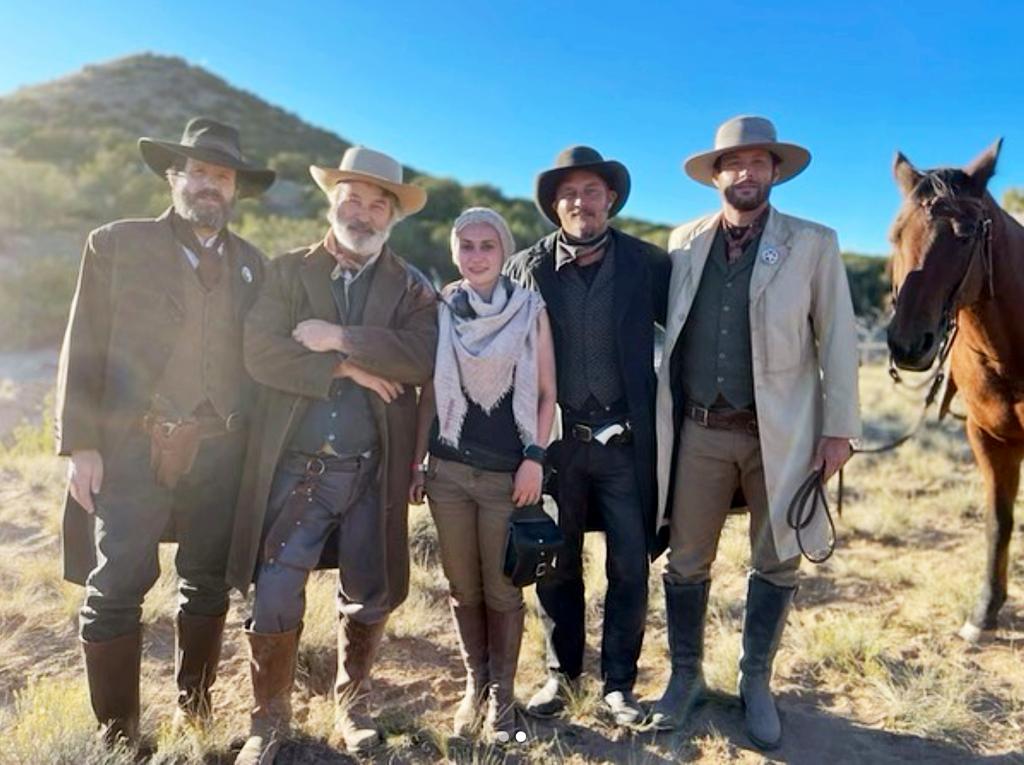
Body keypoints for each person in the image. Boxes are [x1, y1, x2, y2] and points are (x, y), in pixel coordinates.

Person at [55, 117, 275, 746]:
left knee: (206, 580)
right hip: (130, 444)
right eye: (200, 171)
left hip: (221, 450)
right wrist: (82, 444)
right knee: (118, 582)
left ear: (236, 190)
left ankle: (194, 709)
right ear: (176, 176)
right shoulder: (116, 244)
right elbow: (84, 345)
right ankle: (119, 735)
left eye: (223, 176)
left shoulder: (254, 266)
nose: (211, 185)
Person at [651, 115, 861, 749]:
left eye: (758, 163)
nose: (746, 173)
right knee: (686, 559)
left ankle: (755, 682)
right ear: (715, 175)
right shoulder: (682, 240)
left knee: (778, 555)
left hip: (785, 432)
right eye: (733, 163)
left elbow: (840, 340)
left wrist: (839, 430)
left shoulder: (814, 243)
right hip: (699, 429)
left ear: (775, 172)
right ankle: (685, 677)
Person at [226, 146, 437, 763]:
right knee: (273, 592)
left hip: (375, 468)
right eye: (353, 199)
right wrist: (349, 367)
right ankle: (268, 719)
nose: (364, 213)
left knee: (370, 592)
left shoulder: (410, 283)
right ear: (331, 200)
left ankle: (353, 705)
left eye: (378, 204)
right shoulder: (287, 272)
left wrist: (336, 337)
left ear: (392, 216)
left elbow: (421, 358)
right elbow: (261, 354)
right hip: (299, 467)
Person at [505, 146, 670, 726]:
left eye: (592, 191)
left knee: (630, 563)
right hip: (556, 446)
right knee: (556, 561)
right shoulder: (525, 268)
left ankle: (619, 685)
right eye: (569, 193)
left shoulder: (647, 263)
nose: (581, 202)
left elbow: (689, 329)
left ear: (611, 200)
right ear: (555, 205)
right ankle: (561, 675)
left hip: (627, 444)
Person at [409, 207, 557, 741]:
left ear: (504, 251)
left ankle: (503, 698)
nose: (476, 256)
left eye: (487, 246)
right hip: (447, 472)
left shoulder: (530, 310)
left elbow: (545, 395)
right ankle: (476, 684)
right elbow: (429, 389)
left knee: (502, 590)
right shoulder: (443, 308)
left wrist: (535, 457)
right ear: (455, 253)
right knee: (460, 587)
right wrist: (416, 462)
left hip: (504, 476)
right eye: (466, 246)